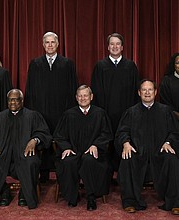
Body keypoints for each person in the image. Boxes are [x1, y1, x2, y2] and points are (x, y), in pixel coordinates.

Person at [115, 79, 179, 215]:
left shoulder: (165, 111)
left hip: (160, 152)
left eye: (150, 89)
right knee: (127, 159)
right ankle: (130, 201)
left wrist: (168, 143)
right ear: (139, 93)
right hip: (138, 152)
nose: (147, 92)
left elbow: (174, 132)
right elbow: (122, 131)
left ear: (155, 92)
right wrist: (126, 143)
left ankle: (174, 202)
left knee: (172, 160)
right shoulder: (131, 112)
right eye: (144, 90)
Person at [25, 32, 78, 182]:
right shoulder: (35, 64)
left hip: (61, 111)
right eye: (47, 42)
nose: (50, 45)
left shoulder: (67, 64)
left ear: (57, 44)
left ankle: (61, 174)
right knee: (42, 139)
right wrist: (31, 112)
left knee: (60, 140)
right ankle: (43, 174)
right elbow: (30, 89)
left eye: (52, 42)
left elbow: (72, 89)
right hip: (40, 111)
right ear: (43, 44)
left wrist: (70, 112)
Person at [0, 89, 52, 209]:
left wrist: (35, 140)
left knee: (30, 162)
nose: (12, 102)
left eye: (15, 99)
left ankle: (25, 192)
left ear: (22, 101)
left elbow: (44, 133)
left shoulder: (33, 116)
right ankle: (3, 191)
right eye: (10, 100)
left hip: (24, 154)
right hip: (3, 154)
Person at [53, 85, 113, 211]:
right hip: (73, 150)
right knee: (68, 161)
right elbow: (59, 136)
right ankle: (72, 197)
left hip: (93, 152)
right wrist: (66, 148)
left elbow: (106, 134)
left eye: (85, 95)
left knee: (89, 160)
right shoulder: (69, 114)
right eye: (80, 96)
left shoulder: (99, 113)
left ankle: (91, 197)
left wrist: (96, 145)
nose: (83, 98)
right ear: (76, 98)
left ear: (91, 97)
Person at [91, 33, 140, 172]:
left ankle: (123, 172)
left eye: (117, 44)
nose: (115, 46)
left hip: (126, 112)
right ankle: (106, 174)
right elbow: (95, 91)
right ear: (108, 47)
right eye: (112, 44)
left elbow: (136, 91)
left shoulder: (130, 66)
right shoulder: (100, 66)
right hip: (106, 112)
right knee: (107, 141)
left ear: (122, 47)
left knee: (125, 139)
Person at [159, 53, 179, 120]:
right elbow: (165, 102)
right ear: (174, 65)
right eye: (178, 63)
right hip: (173, 120)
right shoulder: (167, 81)